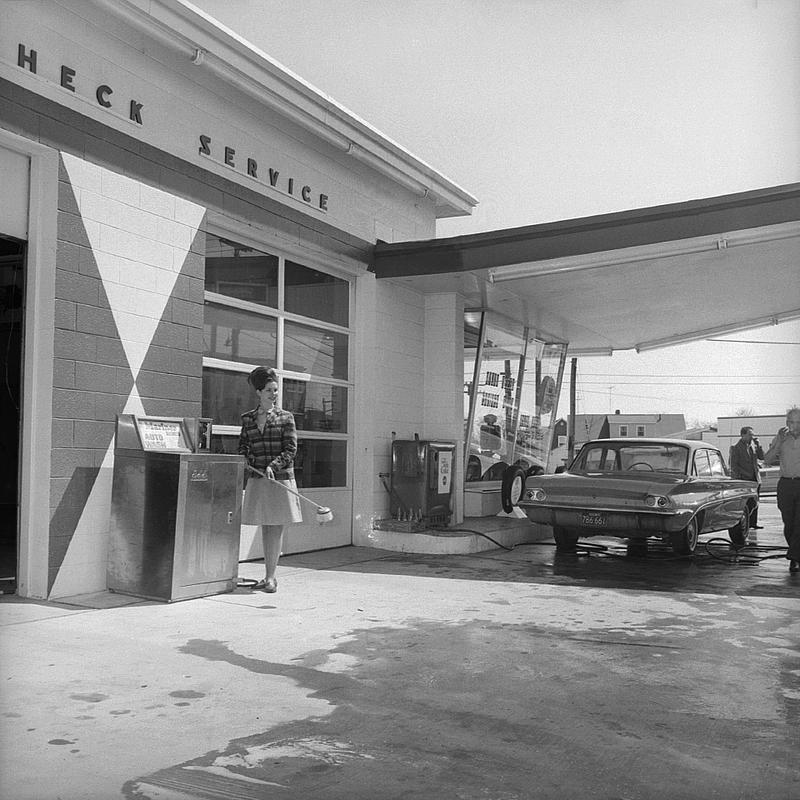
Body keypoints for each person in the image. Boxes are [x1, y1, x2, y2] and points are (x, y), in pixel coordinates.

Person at [238, 366, 303, 592]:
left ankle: (271, 577)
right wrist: (246, 460)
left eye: (275, 390)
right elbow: (243, 446)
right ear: (258, 392)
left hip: (280, 478)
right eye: (268, 390)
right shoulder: (247, 419)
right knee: (265, 527)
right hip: (258, 479)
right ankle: (268, 576)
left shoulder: (286, 418)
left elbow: (290, 449)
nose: (274, 394)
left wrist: (272, 466)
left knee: (275, 528)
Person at [764, 407, 800, 573]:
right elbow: (768, 459)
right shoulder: (780, 438)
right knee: (789, 524)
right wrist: (779, 441)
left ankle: (794, 558)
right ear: (787, 423)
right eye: (792, 422)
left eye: (798, 422)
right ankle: (795, 553)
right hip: (785, 485)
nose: (795, 425)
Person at [729, 426, 765, 529]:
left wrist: (758, 445)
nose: (752, 437)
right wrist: (738, 481)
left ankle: (753, 522)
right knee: (747, 503)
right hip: (745, 479)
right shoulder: (735, 448)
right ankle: (744, 523)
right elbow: (734, 466)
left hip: (755, 479)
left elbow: (762, 457)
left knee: (756, 502)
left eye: (752, 434)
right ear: (743, 435)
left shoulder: (753, 446)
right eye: (750, 434)